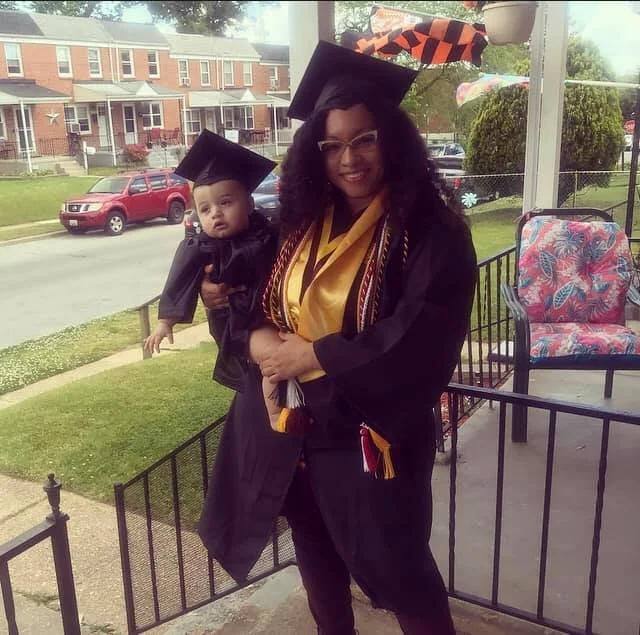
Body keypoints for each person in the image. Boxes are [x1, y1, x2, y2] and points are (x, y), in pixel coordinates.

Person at [198, 41, 477, 635]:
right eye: (331, 145)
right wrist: (252, 337)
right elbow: (254, 303)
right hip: (292, 431)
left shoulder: (431, 231)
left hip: (367, 437)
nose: (349, 159)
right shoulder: (302, 221)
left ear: (392, 139)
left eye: (364, 139)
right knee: (317, 563)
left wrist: (314, 353)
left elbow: (421, 335)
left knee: (402, 574)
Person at [144, 130, 283, 426]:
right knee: (275, 357)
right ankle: (277, 416)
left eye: (226, 203)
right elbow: (179, 281)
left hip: (274, 316)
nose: (215, 214)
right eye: (205, 209)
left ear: (249, 204)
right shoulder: (201, 248)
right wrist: (165, 322)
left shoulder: (269, 233)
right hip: (241, 323)